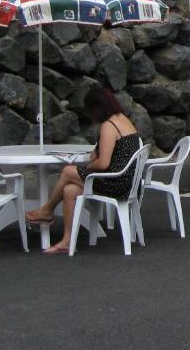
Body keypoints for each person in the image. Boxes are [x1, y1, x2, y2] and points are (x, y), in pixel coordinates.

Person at [26, 87, 142, 255]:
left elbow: (102, 163)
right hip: (127, 181)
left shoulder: (109, 125)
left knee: (68, 171)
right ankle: (66, 241)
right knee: (69, 190)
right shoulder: (122, 119)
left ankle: (47, 210)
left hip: (117, 182)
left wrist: (85, 168)